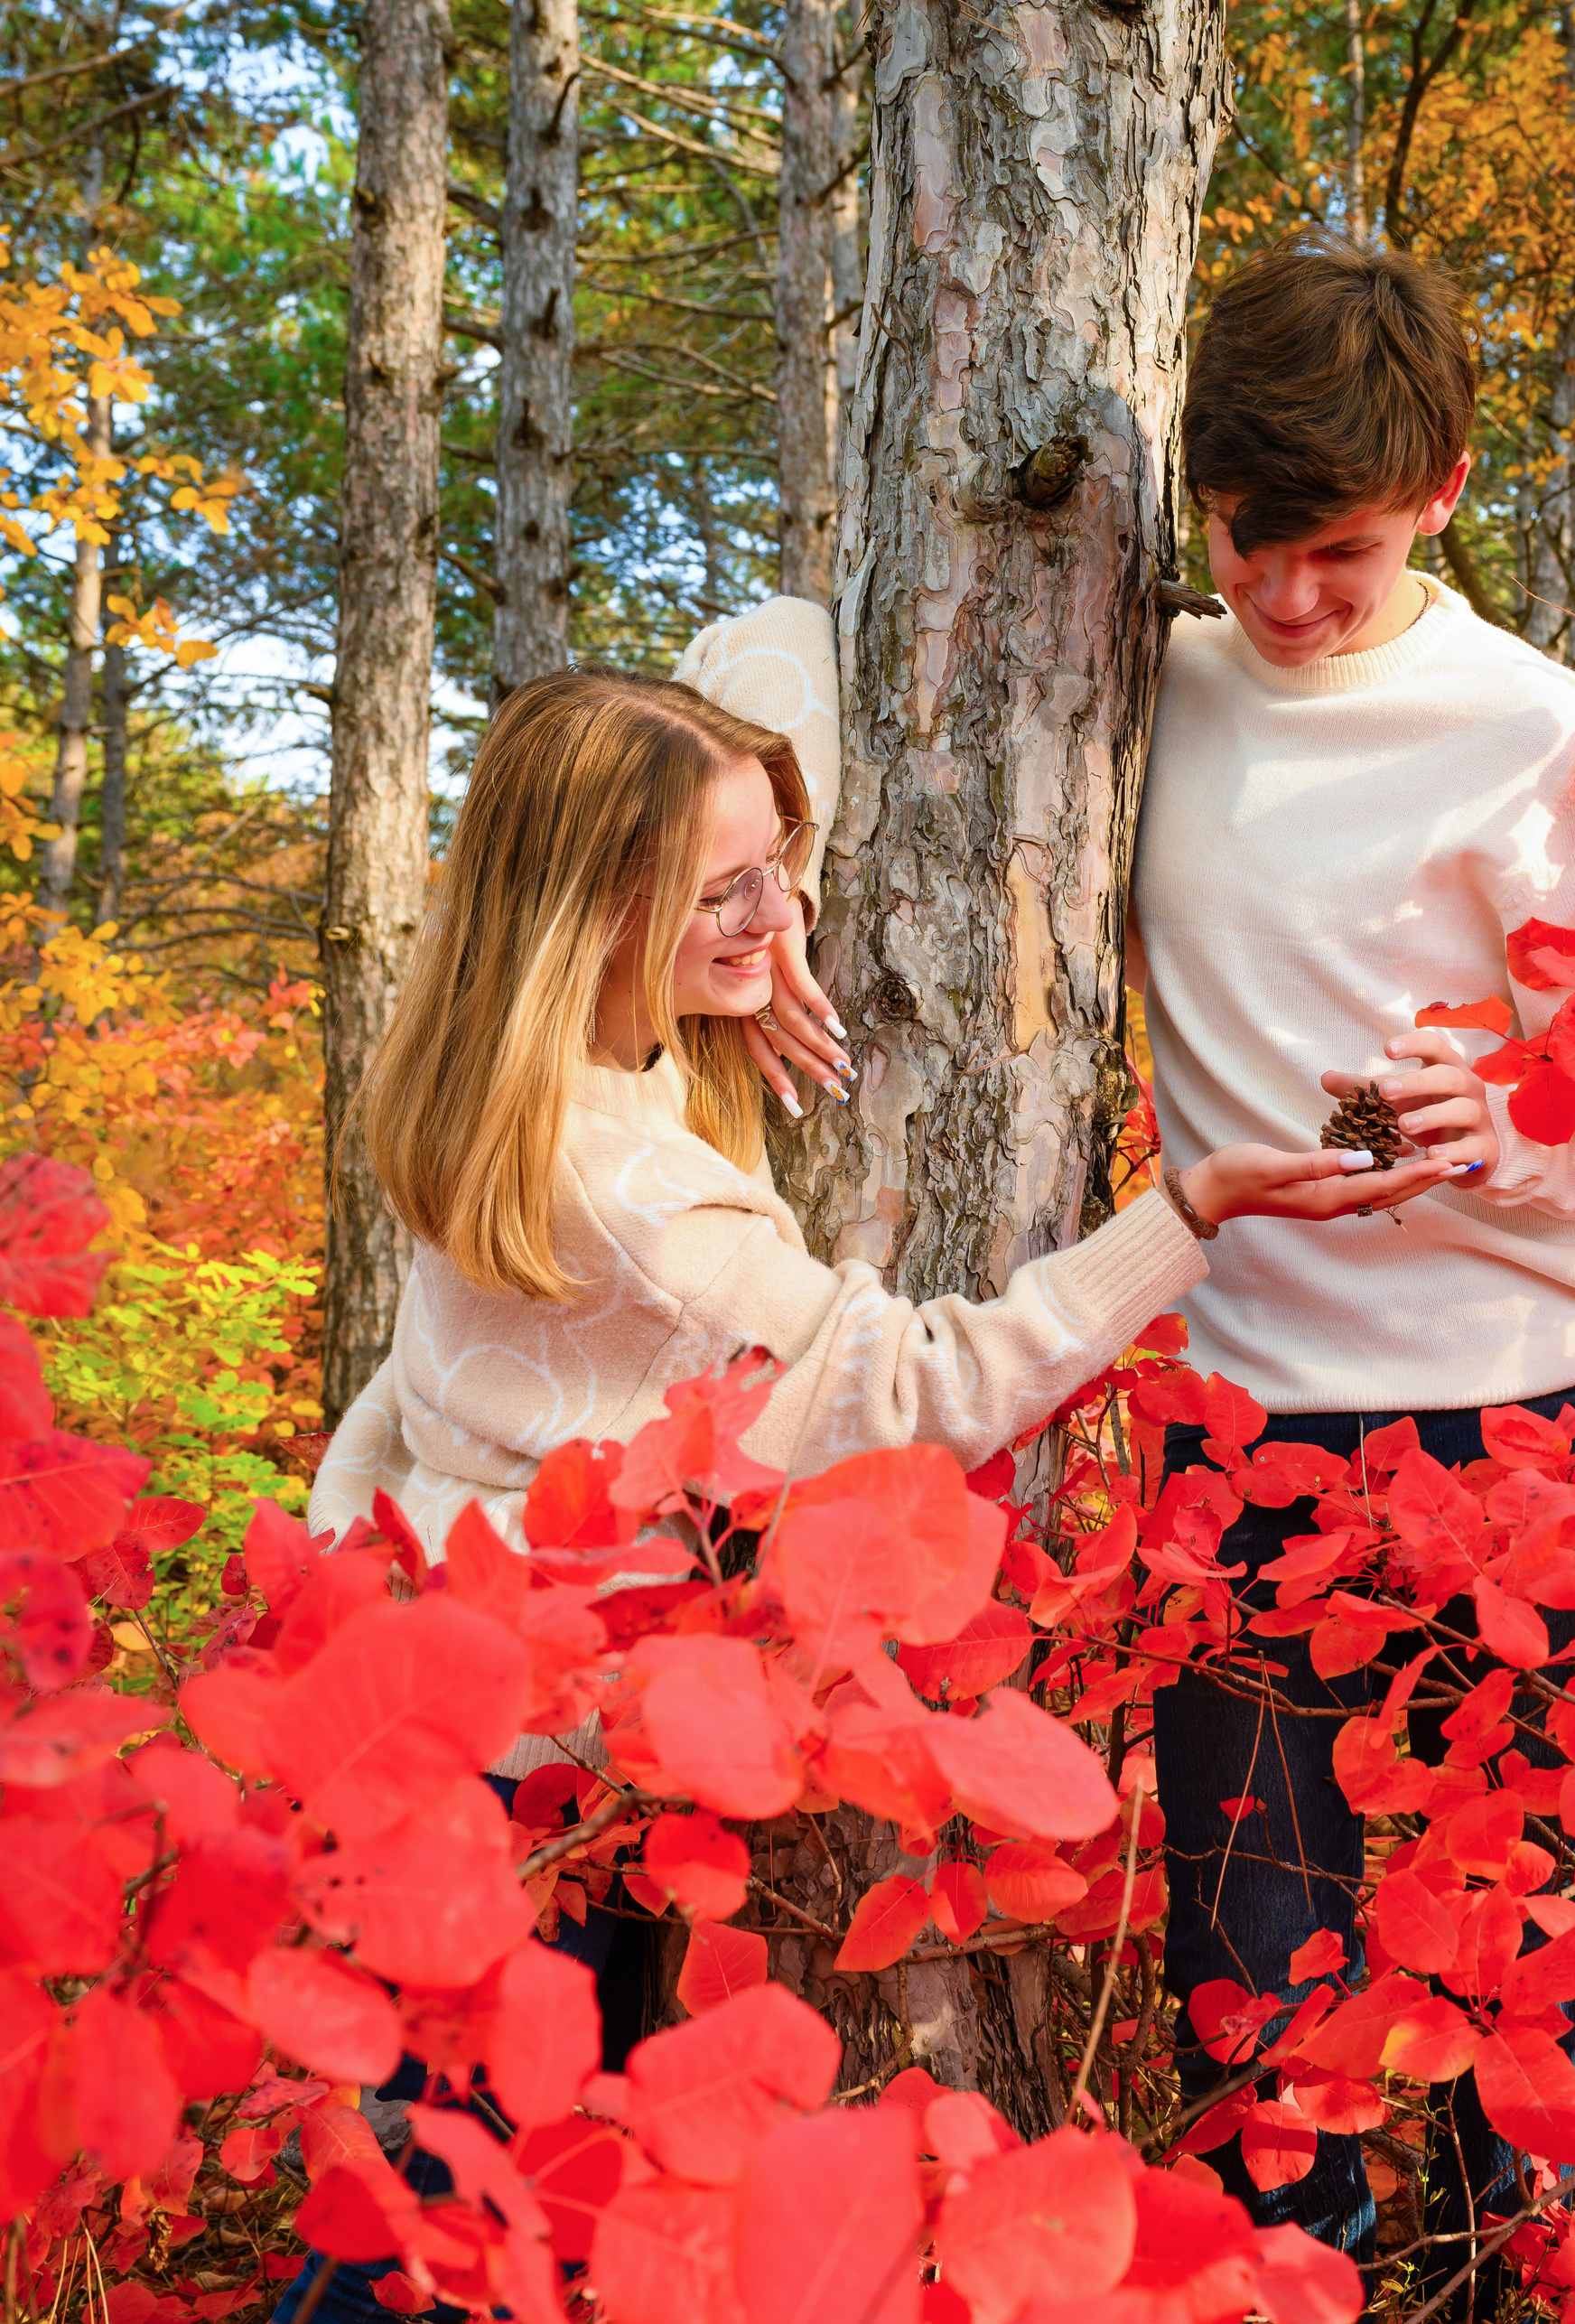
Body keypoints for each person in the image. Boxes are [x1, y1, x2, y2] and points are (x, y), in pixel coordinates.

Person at [276, 640, 1457, 2324]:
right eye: (728, 890)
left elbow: (780, 650)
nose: (779, 903)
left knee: (449, 2186)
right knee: (432, 2224)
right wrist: (1189, 1210)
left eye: (784, 861)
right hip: (542, 1784)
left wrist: (759, 940)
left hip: (433, 1697)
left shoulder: (488, 1074)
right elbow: (924, 1388)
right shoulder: (647, 1197)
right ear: (603, 912)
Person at [1134, 232, 1575, 2316]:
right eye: (1250, 544)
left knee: (1514, 1962)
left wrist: (1525, 1125)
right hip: (1244, 1426)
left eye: (1341, 556)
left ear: (1442, 487)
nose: (1287, 600)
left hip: (1524, 1417)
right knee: (1261, 1986)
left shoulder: (1533, 736)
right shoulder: (1143, 680)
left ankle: (1509, 2286)